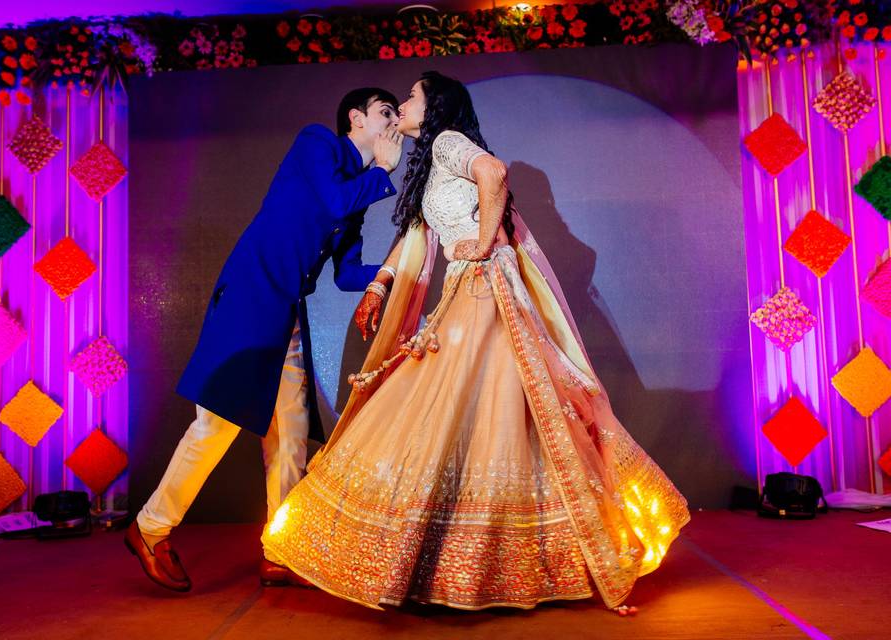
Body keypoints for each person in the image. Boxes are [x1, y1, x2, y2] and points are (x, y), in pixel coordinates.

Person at [262, 72, 690, 613]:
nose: (402, 103)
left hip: (485, 288)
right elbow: (414, 239)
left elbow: (494, 172)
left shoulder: (446, 140)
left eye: (412, 96)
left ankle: (465, 556)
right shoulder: (433, 163)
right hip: (473, 288)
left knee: (461, 403)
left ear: (435, 106)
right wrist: (378, 284)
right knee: (498, 410)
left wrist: (484, 242)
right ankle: (495, 557)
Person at [125, 88, 405, 592]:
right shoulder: (317, 142)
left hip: (287, 313)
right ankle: (150, 529)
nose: (393, 123)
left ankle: (281, 549)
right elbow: (334, 198)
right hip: (251, 296)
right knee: (216, 427)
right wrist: (383, 172)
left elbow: (345, 274)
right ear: (356, 118)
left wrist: (397, 270)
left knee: (290, 432)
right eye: (386, 113)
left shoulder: (360, 190)